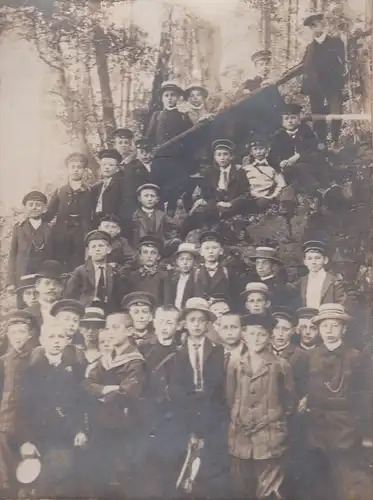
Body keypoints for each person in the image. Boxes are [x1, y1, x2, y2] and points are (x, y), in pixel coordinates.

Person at [301, 304, 372, 500]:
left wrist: (357, 424)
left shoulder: (355, 357)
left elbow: (364, 393)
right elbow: (303, 387)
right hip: (316, 427)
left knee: (345, 479)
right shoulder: (310, 355)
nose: (329, 331)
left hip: (345, 428)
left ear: (344, 329)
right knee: (319, 481)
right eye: (324, 326)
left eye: (334, 325)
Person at [168, 297, 229, 498]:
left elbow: (220, 388)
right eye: (192, 320)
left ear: (207, 324)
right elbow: (176, 388)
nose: (196, 324)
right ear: (184, 323)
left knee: (209, 465)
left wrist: (211, 417)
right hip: (186, 413)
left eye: (201, 320)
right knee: (184, 464)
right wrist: (189, 418)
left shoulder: (219, 352)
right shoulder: (177, 353)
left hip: (212, 414)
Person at [229, 313, 295, 500]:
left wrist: (270, 418)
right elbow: (230, 396)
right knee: (241, 488)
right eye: (251, 334)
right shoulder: (235, 364)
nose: (256, 339)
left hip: (270, 437)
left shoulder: (281, 366)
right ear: (243, 335)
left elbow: (289, 402)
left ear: (269, 337)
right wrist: (240, 416)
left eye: (261, 334)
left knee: (269, 490)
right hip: (240, 436)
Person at [20, 322, 87, 498]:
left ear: (67, 341)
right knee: (44, 486)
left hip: (67, 434)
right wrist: (27, 439)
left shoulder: (77, 370)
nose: (56, 341)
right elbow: (24, 408)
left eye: (61, 337)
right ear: (42, 341)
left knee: (66, 483)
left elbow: (83, 403)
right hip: (40, 435)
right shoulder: (30, 372)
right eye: (51, 337)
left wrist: (80, 430)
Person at [83, 315, 145, 498]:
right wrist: (105, 390)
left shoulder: (135, 361)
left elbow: (128, 393)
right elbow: (86, 384)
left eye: (116, 328)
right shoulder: (106, 358)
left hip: (124, 425)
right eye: (109, 328)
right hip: (101, 424)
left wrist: (100, 394)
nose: (110, 332)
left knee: (121, 475)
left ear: (129, 331)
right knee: (99, 472)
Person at [132, 305, 181, 498]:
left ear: (178, 326)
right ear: (153, 322)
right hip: (146, 417)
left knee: (171, 466)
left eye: (170, 322)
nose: (164, 326)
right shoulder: (142, 350)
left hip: (173, 418)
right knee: (146, 469)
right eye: (161, 321)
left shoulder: (183, 351)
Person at [282, 13, 346, 150]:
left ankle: (335, 140)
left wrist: (343, 81)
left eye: (316, 24)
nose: (314, 28)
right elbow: (301, 66)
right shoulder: (310, 48)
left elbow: (345, 63)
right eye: (311, 26)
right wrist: (282, 78)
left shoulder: (336, 42)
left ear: (323, 25)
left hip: (332, 85)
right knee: (317, 114)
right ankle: (321, 142)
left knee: (336, 112)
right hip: (315, 87)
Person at [0, 311, 37, 497]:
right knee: (6, 468)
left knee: (28, 468)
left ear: (29, 334)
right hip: (6, 420)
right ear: (7, 335)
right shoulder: (4, 361)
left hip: (30, 419)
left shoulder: (36, 357)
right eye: (13, 332)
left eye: (22, 332)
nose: (17, 337)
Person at [268, 103, 333, 207]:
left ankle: (321, 188)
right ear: (282, 121)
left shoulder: (305, 130)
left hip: (307, 163)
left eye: (293, 118)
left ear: (298, 119)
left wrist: (298, 156)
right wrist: (280, 162)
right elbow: (272, 157)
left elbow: (313, 146)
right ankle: (319, 190)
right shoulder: (278, 137)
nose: (290, 121)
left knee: (314, 157)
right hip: (290, 169)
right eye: (286, 119)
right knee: (298, 169)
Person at [43, 153, 92, 272]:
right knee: (61, 261)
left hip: (81, 233)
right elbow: (49, 213)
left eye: (79, 167)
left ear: (84, 171)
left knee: (79, 264)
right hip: (62, 233)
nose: (76, 170)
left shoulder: (90, 191)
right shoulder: (60, 191)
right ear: (68, 170)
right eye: (73, 167)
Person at [64, 230, 127, 313]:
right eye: (93, 247)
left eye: (101, 246)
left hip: (108, 311)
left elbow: (119, 297)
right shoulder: (80, 271)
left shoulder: (115, 273)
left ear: (108, 249)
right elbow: (70, 296)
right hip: (86, 310)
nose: (97, 249)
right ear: (89, 251)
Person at [7, 191, 52, 290]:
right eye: (30, 205)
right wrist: (10, 282)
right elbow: (12, 255)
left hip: (43, 276)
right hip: (23, 275)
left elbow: (54, 255)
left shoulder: (50, 229)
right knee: (24, 303)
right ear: (25, 208)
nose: (34, 207)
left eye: (38, 205)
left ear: (44, 209)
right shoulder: (19, 228)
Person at [242, 136, 295, 216]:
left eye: (261, 149)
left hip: (267, 198)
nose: (258, 152)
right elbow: (242, 186)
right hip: (251, 198)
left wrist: (272, 196)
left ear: (267, 150)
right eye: (255, 149)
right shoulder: (246, 169)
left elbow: (281, 184)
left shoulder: (272, 167)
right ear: (251, 152)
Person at [201, 139, 250, 220]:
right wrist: (216, 204)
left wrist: (231, 203)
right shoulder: (210, 174)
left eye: (225, 154)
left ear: (231, 156)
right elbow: (207, 194)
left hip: (234, 207)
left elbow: (246, 193)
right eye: (219, 155)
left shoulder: (239, 172)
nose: (222, 158)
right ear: (215, 158)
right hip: (215, 207)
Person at [272, 306, 308, 401]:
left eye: (285, 329)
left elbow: (304, 387)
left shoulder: (300, 355)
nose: (280, 333)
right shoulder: (263, 352)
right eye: (276, 328)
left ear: (292, 331)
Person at [90, 149, 132, 232]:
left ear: (117, 168)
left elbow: (126, 207)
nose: (106, 167)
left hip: (114, 224)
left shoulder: (122, 183)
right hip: (98, 224)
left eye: (111, 165)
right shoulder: (97, 186)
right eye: (104, 165)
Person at [297, 240, 346, 308]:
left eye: (317, 258)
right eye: (309, 258)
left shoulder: (335, 283)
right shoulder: (300, 283)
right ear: (305, 262)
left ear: (325, 260)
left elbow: (341, 307)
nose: (313, 262)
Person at [194, 231, 238, 304]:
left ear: (221, 251)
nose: (210, 251)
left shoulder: (228, 273)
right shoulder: (195, 272)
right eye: (207, 248)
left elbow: (235, 297)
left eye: (214, 248)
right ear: (201, 252)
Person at [147, 81, 193, 149]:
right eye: (166, 95)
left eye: (173, 95)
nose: (169, 98)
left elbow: (189, 138)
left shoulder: (183, 116)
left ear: (177, 97)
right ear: (162, 99)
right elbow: (150, 137)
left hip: (178, 155)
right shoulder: (157, 115)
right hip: (160, 154)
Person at [131, 183, 176, 248]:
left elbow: (173, 229)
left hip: (159, 250)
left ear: (157, 199)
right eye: (146, 196)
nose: (149, 199)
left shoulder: (162, 216)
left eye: (152, 196)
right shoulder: (133, 216)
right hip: (139, 250)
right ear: (139, 199)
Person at [217, 311, 245, 410]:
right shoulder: (213, 354)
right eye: (225, 328)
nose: (229, 332)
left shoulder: (250, 354)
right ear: (219, 330)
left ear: (242, 329)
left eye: (234, 327)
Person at [26, 260, 65, 330]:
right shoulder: (27, 314)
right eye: (47, 283)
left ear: (62, 288)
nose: (52, 287)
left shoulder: (68, 312)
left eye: (56, 284)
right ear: (37, 286)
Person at [128, 236, 166, 303]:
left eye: (153, 253)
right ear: (140, 256)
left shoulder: (164, 275)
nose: (149, 256)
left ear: (158, 256)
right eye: (145, 252)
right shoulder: (133, 276)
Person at [121, 291, 157, 358]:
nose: (141, 316)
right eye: (136, 312)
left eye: (145, 312)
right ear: (128, 316)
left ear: (150, 317)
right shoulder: (122, 340)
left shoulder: (157, 340)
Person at [164, 242, 199, 310]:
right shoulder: (171, 277)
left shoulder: (196, 278)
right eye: (181, 259)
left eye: (189, 259)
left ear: (194, 262)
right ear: (177, 261)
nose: (185, 263)